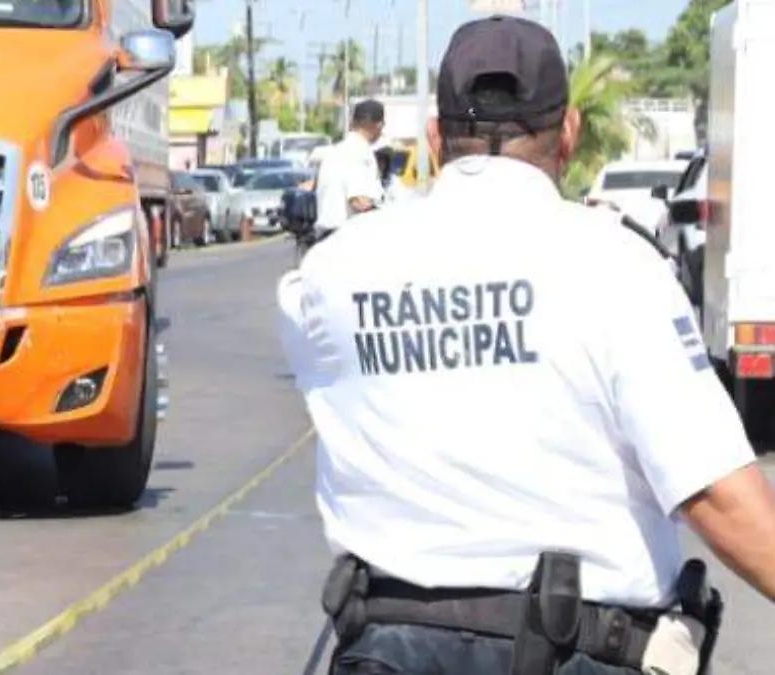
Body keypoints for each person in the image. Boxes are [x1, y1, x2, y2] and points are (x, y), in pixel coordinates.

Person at [277, 16, 775, 675]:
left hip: (386, 650)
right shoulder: (617, 266)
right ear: (568, 133)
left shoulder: (327, 277)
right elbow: (713, 492)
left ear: (437, 135)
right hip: (579, 651)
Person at [314, 100, 386, 234]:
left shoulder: (336, 151)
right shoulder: (361, 152)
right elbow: (359, 201)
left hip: (327, 236)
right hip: (346, 237)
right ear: (378, 125)